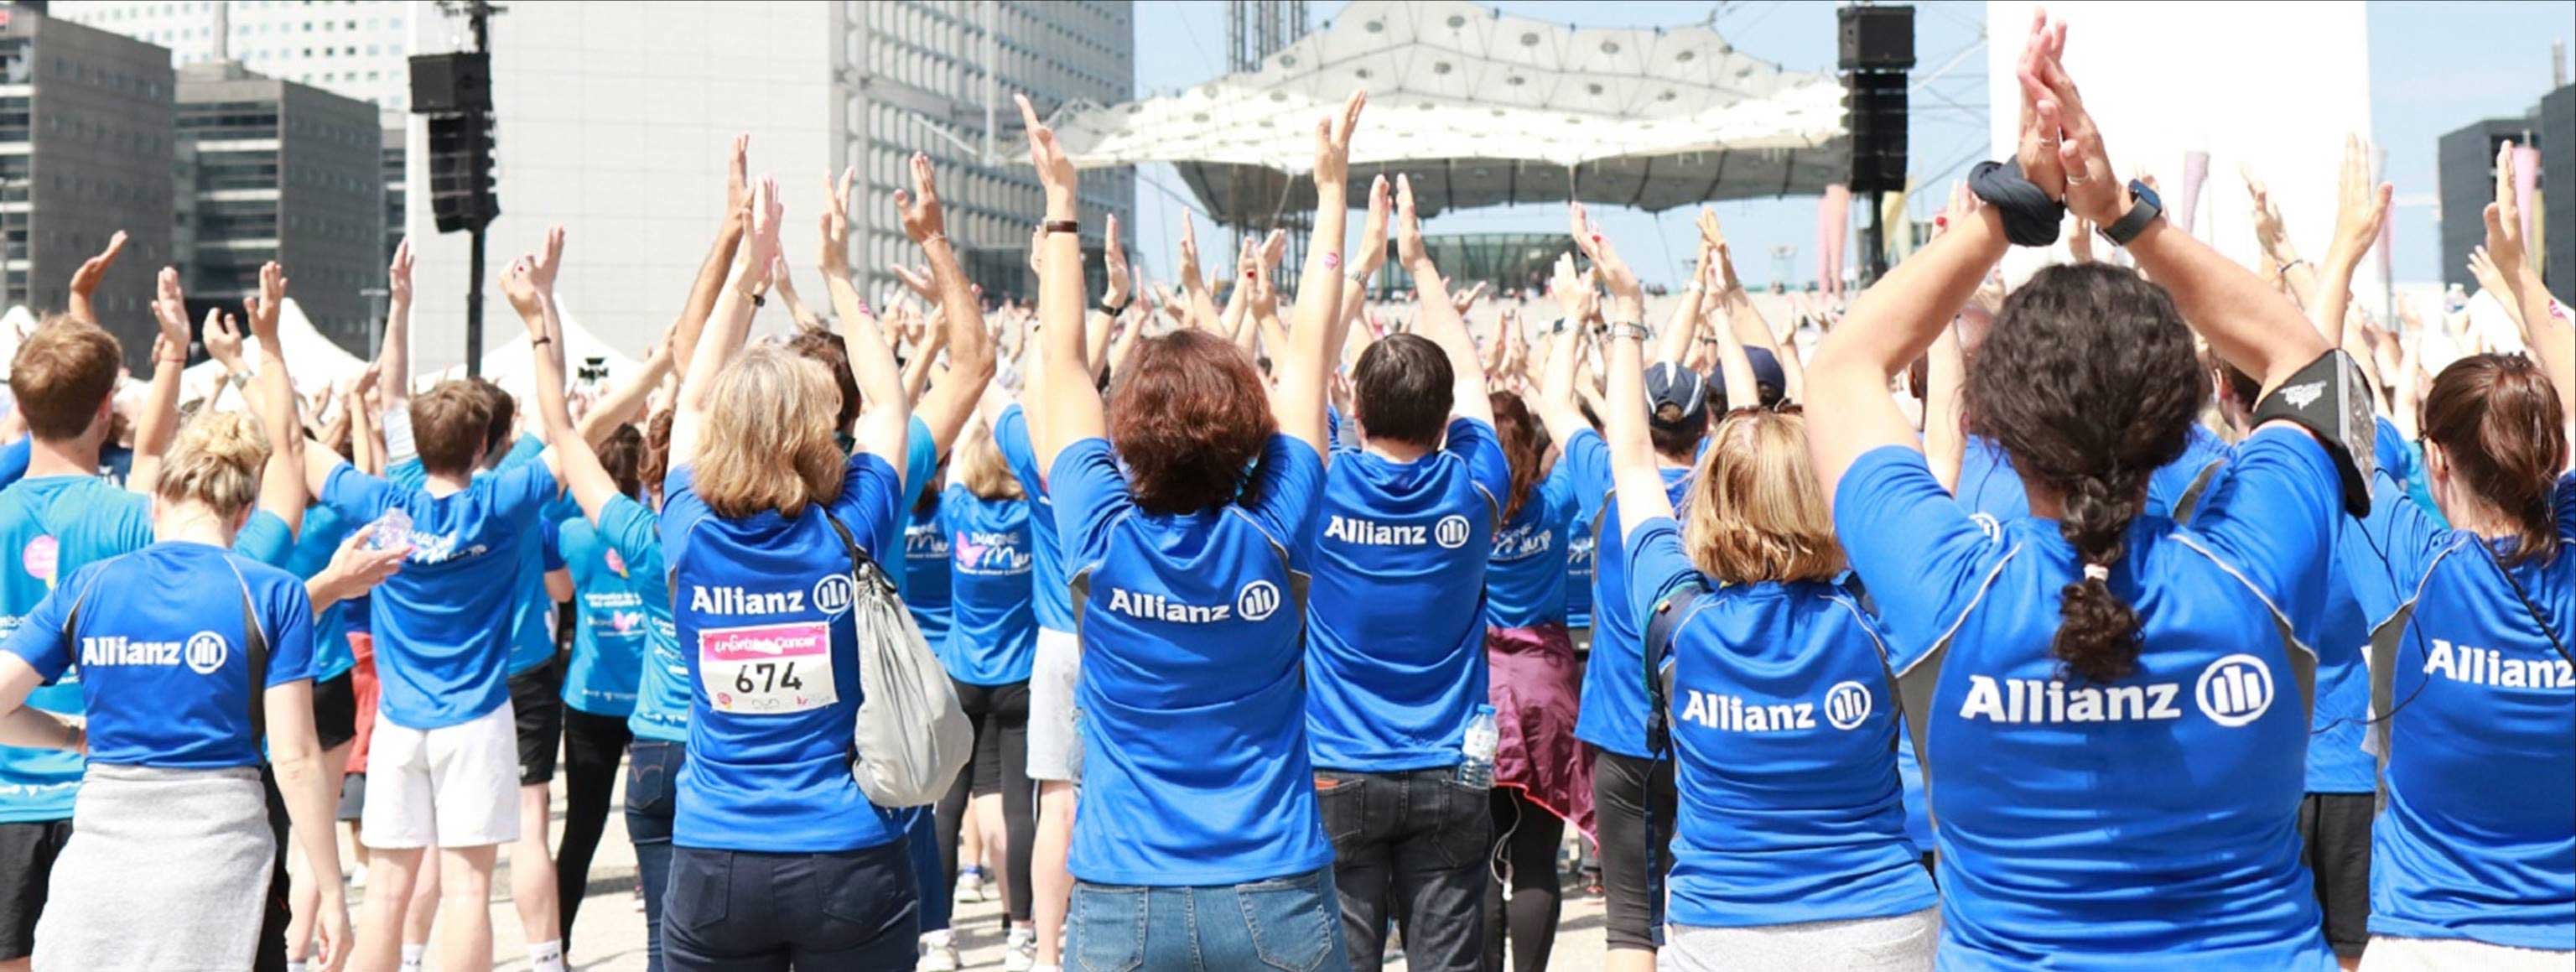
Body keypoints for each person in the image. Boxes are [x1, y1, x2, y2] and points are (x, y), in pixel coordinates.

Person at [1805, 18, 2348, 966]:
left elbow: (1845, 365)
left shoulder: (1946, 584)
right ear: (2180, 418)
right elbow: (2306, 359)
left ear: (1993, 429)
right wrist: (2125, 213)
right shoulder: (2254, 560)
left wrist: (2008, 209)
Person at [1015, 90, 1361, 970]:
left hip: (1123, 895)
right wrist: (1331, 195)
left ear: (1128, 435)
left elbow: (1063, 363)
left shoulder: (1098, 535)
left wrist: (1062, 205)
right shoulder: (1275, 530)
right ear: (1247, 433)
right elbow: (1311, 353)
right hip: (1275, 886)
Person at [1590, 225, 1940, 970]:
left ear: (1710, 506)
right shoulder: (1874, 612)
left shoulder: (1679, 620)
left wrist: (1627, 311)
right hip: (1881, 924)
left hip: (1724, 933)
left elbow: (1632, 459)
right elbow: (1931, 457)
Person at [655, 148, 960, 966]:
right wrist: (835, 270)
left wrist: (750, 279)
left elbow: (692, 397)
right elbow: (888, 402)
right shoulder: (848, 529)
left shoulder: (688, 532)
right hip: (848, 849)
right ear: (815, 433)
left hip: (715, 855)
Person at [309, 232, 579, 972]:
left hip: (400, 722)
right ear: (485, 440)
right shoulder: (502, 500)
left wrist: (395, 309)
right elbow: (562, 426)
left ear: (416, 442)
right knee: (467, 892)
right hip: (478, 716)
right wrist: (540, 316)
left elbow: (324, 441)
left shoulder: (388, 499)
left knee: (386, 895)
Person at [0, 396, 349, 968]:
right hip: (221, 870)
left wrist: (69, 736)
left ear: (155, 503)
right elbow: (295, 759)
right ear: (243, 515)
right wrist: (332, 892)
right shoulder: (272, 592)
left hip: (102, 871)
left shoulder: (88, 586)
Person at [2351, 141, 2573, 971]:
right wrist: (2522, 276)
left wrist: (2334, 258)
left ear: (2436, 459)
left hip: (2425, 940)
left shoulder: (2412, 559)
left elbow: (2317, 410)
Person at [1303, 172, 1509, 971]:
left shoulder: (1320, 484)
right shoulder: (1475, 486)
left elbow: (1306, 362)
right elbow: (1477, 385)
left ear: (1354, 411)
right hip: (1451, 765)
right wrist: (1419, 265)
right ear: (1446, 419)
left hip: (1341, 764)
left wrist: (1362, 264)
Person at [1532, 243, 1706, 972]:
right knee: (1706, 912)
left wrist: (1576, 319)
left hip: (1622, 728)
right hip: (1710, 723)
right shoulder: (1727, 483)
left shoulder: (1607, 475)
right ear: (1704, 428)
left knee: (1631, 925)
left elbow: (1553, 401)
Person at [1477, 390, 1587, 972]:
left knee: (1484, 858)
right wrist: (1556, 390)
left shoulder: (1466, 510)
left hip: (1481, 692)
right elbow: (1581, 441)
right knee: (1538, 856)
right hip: (1547, 687)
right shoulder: (1554, 501)